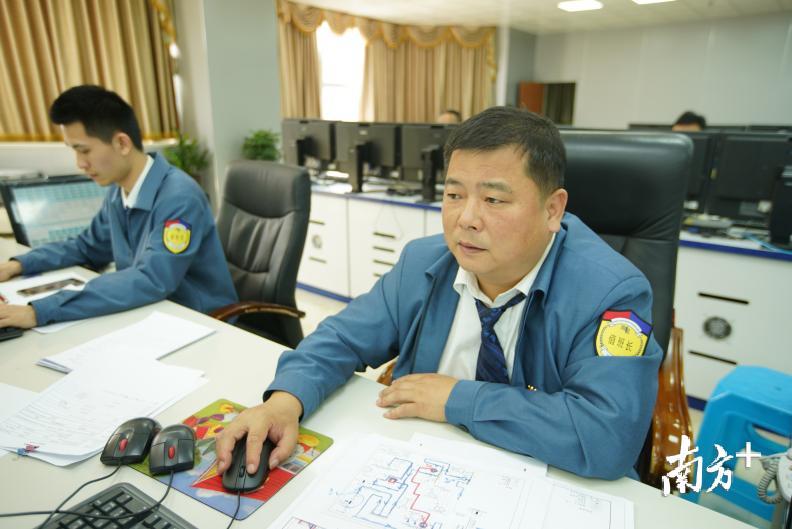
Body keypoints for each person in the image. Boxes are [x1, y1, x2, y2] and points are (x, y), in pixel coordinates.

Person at [216, 106, 662, 481]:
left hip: (549, 486)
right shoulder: (424, 262)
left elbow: (607, 437)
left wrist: (456, 399)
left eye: (494, 200)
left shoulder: (611, 293)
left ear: (552, 209)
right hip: (425, 472)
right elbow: (342, 338)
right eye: (453, 194)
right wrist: (285, 400)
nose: (466, 218)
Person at [0, 85, 237, 329]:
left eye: (85, 151)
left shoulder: (179, 197)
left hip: (200, 322)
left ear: (122, 143)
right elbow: (86, 247)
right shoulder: (118, 192)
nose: (80, 163)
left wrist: (39, 311)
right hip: (150, 313)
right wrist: (18, 265)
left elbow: (151, 279)